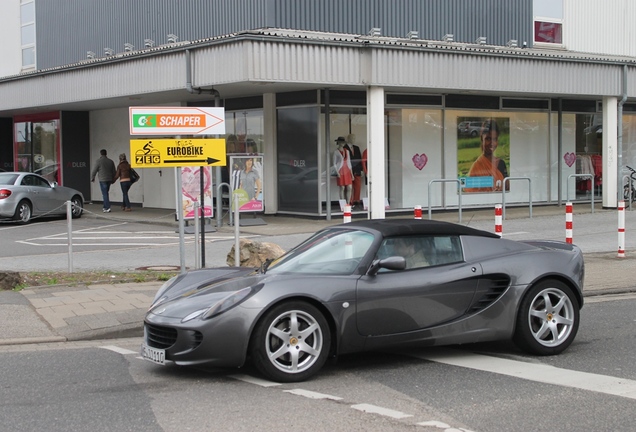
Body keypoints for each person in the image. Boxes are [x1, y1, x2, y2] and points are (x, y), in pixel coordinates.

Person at [465, 119, 509, 192]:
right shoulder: (476, 166)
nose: (492, 143)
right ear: (482, 139)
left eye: (495, 139)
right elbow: (470, 191)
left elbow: (508, 189)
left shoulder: (501, 163)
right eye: (488, 139)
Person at [345, 134, 363, 208]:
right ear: (348, 138)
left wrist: (361, 169)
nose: (353, 139)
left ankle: (356, 200)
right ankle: (350, 201)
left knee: (358, 186)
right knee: (349, 187)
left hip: (357, 170)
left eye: (354, 138)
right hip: (348, 170)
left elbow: (359, 159)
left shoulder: (356, 148)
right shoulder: (344, 148)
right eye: (352, 138)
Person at [333, 137, 353, 204]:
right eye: (341, 142)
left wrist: (352, 174)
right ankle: (342, 203)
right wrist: (337, 172)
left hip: (347, 170)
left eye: (343, 142)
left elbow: (349, 162)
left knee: (349, 187)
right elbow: (334, 163)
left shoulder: (347, 151)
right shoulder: (336, 152)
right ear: (338, 142)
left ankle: (348, 203)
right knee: (342, 187)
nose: (342, 143)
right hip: (340, 170)